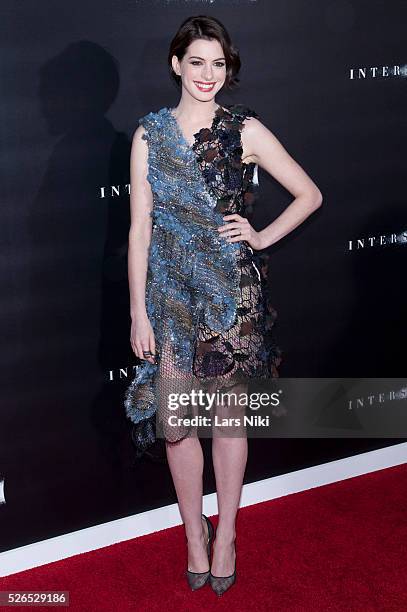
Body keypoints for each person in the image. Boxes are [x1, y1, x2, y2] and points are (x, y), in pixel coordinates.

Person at [124, 15, 322, 596]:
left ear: (227, 69)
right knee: (179, 428)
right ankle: (193, 534)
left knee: (231, 423)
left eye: (219, 64)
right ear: (175, 64)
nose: (208, 75)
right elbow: (139, 230)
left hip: (233, 298)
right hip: (169, 301)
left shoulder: (244, 129)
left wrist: (260, 236)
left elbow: (310, 194)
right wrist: (139, 312)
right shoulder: (148, 135)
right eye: (197, 62)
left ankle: (228, 531)